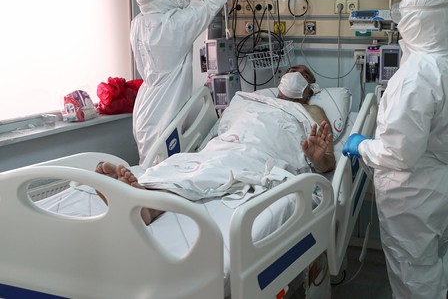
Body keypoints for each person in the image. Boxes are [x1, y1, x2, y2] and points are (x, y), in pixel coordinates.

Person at [342, 0, 448, 299]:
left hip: (415, 195)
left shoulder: (414, 77)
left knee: (414, 278)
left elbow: (400, 154)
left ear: (413, 21)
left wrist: (361, 146)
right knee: (436, 264)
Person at [96, 65, 335, 224]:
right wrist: (214, 143)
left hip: (261, 152)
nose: (294, 74)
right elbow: (225, 127)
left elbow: (327, 162)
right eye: (292, 70)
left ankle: (147, 205)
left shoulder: (312, 110)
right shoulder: (251, 99)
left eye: (302, 74)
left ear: (310, 87)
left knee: (221, 167)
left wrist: (317, 157)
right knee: (187, 162)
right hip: (227, 145)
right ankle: (144, 189)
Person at [131, 0, 257, 165]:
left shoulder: (141, 21)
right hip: (162, 115)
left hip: (146, 108)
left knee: (148, 169)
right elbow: (211, 2)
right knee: (159, 174)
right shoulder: (173, 27)